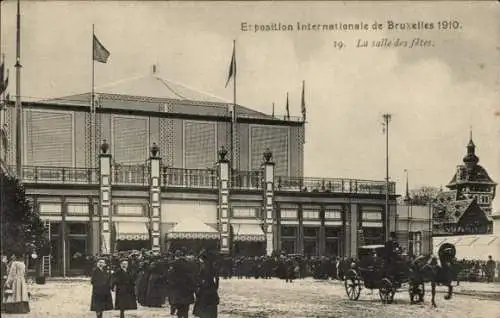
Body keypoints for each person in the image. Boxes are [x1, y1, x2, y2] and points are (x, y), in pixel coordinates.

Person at [193, 251, 219, 318]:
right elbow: (217, 277)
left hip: (204, 286)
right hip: (211, 285)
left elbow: (199, 276)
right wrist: (216, 286)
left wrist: (199, 283)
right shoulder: (212, 266)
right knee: (212, 302)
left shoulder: (203, 266)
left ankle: (203, 314)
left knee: (201, 300)